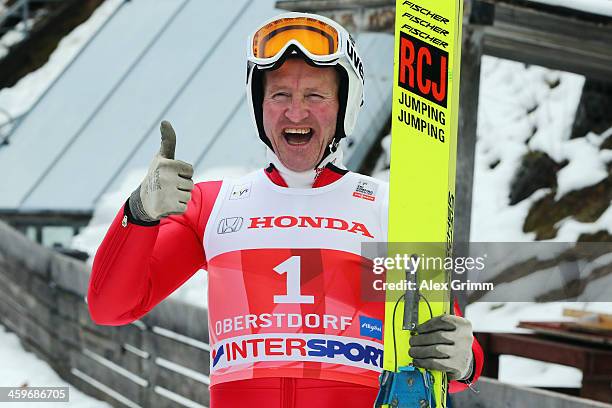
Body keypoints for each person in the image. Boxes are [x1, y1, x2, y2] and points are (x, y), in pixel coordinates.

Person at [87, 12, 483, 407]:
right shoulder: (213, 205)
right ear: (258, 106)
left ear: (346, 105)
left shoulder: (389, 210)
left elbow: (449, 340)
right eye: (280, 95)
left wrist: (463, 361)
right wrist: (137, 214)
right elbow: (110, 307)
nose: (296, 112)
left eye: (315, 95)